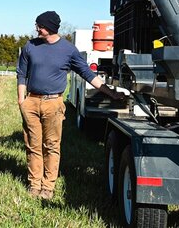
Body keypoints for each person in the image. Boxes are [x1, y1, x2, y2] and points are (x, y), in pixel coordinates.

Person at [17, 11, 124, 200]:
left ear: (49, 27)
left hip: (54, 103)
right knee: (33, 145)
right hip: (31, 102)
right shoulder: (30, 46)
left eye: (39, 26)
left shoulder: (68, 50)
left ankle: (48, 187)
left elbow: (88, 74)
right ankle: (34, 184)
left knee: (51, 145)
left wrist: (110, 92)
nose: (36, 29)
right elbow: (21, 74)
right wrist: (21, 101)